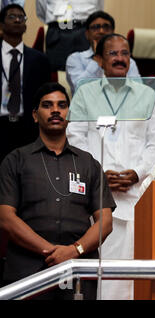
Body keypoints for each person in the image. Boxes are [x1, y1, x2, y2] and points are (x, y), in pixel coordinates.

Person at [66, 33, 155, 300]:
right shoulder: (86, 93)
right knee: (102, 277)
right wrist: (99, 174)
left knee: (131, 276)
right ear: (99, 59)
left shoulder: (146, 95)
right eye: (113, 54)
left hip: (136, 198)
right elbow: (74, 139)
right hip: (96, 200)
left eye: (125, 53)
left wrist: (136, 173)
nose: (120, 59)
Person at [0, 82, 116, 300]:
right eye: (47, 105)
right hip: (28, 273)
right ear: (35, 115)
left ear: (68, 114)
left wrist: (73, 251)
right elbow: (6, 218)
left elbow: (105, 222)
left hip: (78, 272)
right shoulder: (15, 160)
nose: (55, 110)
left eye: (62, 105)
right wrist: (53, 253)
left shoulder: (88, 163)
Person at [0, 3, 51, 163]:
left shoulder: (39, 60)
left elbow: (44, 95)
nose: (17, 20)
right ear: (1, 25)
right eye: (12, 17)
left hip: (28, 127)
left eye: (21, 17)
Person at [66, 10, 141, 96]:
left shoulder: (127, 61)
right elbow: (79, 89)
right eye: (96, 27)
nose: (101, 31)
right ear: (87, 34)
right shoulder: (75, 58)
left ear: (113, 32)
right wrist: (97, 58)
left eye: (106, 27)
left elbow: (138, 91)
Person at [36, 0, 104, 71]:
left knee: (86, 70)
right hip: (57, 32)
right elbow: (41, 11)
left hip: (83, 32)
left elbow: (98, 10)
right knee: (55, 71)